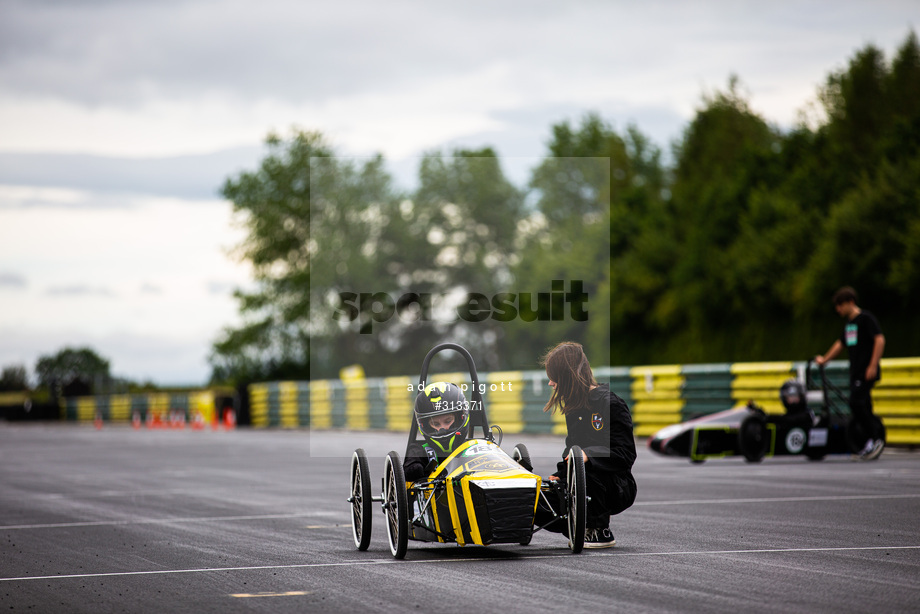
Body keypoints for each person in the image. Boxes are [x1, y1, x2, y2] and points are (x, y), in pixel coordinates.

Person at [536, 341, 637, 548]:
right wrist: (561, 475)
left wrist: (589, 456)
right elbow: (571, 450)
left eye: (553, 377)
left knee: (586, 469)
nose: (550, 383)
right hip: (583, 482)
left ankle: (599, 530)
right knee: (537, 497)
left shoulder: (610, 404)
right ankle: (576, 527)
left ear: (566, 376)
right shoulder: (574, 408)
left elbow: (626, 454)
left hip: (616, 485)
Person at [815, 286, 886, 460]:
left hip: (866, 371)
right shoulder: (849, 324)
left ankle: (876, 438)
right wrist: (824, 360)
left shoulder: (865, 319)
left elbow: (879, 339)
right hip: (856, 373)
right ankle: (870, 442)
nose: (838, 309)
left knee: (856, 403)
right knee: (864, 406)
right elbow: (841, 344)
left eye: (841, 305)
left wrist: (873, 365)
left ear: (850, 302)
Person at [403, 382, 471, 481]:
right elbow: (409, 472)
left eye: (447, 421)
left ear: (460, 418)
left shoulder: (474, 448)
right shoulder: (419, 451)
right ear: (425, 425)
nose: (443, 429)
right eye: (436, 424)